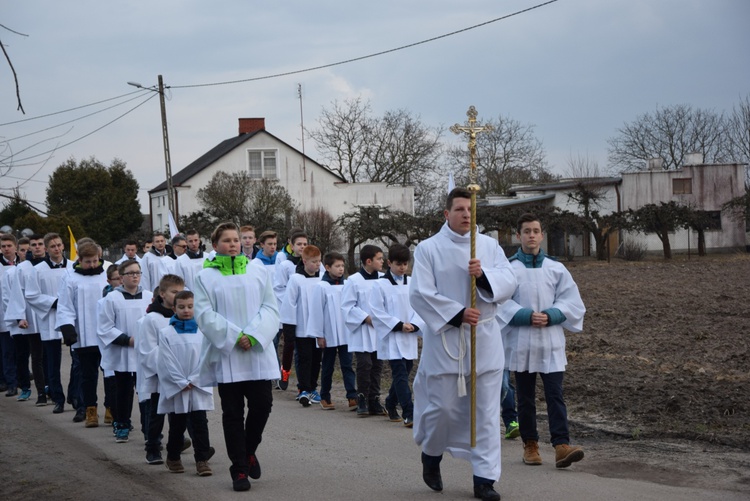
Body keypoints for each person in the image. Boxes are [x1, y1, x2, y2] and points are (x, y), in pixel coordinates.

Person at [409, 187, 517, 501]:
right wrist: (456, 313)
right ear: (446, 214)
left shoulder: (489, 245)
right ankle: (431, 453)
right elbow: (419, 293)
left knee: (484, 412)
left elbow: (508, 280)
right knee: (441, 408)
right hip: (447, 340)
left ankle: (484, 479)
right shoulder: (429, 249)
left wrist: (483, 277)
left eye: (470, 210)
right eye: (459, 209)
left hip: (484, 338)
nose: (466, 215)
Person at [194, 222, 279, 492]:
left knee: (262, 405)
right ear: (216, 244)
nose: (233, 244)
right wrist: (233, 336)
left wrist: (253, 335)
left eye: (235, 240)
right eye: (227, 240)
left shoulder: (257, 270)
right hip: (227, 353)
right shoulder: (205, 276)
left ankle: (249, 450)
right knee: (232, 413)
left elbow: (270, 307)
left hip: (257, 351)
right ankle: (239, 469)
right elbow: (204, 314)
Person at [499, 213, 586, 469]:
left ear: (542, 234)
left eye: (536, 230)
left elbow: (571, 301)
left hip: (550, 343)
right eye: (527, 231)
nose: (532, 235)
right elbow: (500, 302)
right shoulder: (510, 269)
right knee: (525, 397)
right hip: (522, 342)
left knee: (555, 395)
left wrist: (551, 315)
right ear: (518, 236)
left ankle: (561, 446)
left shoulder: (556, 268)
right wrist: (524, 315)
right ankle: (530, 445)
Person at [157, 290, 214, 476]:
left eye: (190, 306)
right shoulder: (166, 333)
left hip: (197, 384)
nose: (187, 310)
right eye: (181, 307)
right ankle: (173, 457)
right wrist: (181, 381)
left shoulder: (203, 331)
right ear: (174, 308)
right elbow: (166, 360)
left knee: (200, 424)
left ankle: (202, 460)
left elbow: (206, 356)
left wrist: (196, 379)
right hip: (178, 386)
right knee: (177, 424)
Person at [98, 259, 152, 443]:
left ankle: (149, 429)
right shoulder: (112, 298)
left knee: (146, 392)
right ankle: (122, 424)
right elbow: (105, 327)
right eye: (131, 273)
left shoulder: (148, 296)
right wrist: (127, 340)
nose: (135, 276)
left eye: (138, 272)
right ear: (121, 277)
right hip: (122, 352)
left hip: (143, 354)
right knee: (123, 391)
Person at [55, 241, 109, 428]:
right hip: (85, 333)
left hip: (107, 333)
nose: (93, 265)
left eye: (95, 261)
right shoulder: (70, 276)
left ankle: (111, 407)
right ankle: (90, 410)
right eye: (88, 262)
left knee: (110, 373)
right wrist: (68, 328)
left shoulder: (108, 271)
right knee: (88, 375)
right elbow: (65, 304)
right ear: (80, 260)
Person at [370, 243, 424, 428]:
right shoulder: (380, 285)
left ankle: (391, 402)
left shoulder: (412, 283)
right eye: (398, 263)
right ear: (389, 263)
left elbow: (420, 306)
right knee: (400, 373)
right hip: (392, 336)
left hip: (409, 335)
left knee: (406, 371)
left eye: (405, 264)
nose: (402, 267)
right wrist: (399, 325)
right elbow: (377, 311)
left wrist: (415, 324)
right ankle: (410, 413)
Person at [136, 274, 186, 465]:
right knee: (156, 415)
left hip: (180, 375)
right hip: (160, 376)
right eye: (174, 292)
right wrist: (169, 367)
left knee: (179, 415)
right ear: (163, 294)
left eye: (181, 291)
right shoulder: (151, 319)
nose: (178, 295)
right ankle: (153, 448)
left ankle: (176, 447)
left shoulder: (183, 317)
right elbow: (148, 350)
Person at [24, 232, 73, 414]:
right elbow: (31, 295)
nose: (57, 249)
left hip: (70, 319)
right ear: (46, 249)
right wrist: (55, 302)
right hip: (50, 318)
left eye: (59, 245)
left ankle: (75, 395)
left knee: (77, 362)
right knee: (52, 362)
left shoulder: (73, 267)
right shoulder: (38, 270)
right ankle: (57, 397)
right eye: (53, 246)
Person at [308, 252, 357, 411]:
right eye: (337, 266)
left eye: (342, 266)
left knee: (347, 365)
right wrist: (319, 335)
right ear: (327, 267)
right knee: (328, 366)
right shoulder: (321, 287)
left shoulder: (347, 285)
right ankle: (325, 396)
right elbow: (316, 312)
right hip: (328, 334)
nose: (341, 269)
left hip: (345, 333)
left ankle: (352, 396)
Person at [341, 244, 386, 417]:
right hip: (362, 330)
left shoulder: (383, 279)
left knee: (377, 365)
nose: (382, 261)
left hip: (379, 330)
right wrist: (366, 318)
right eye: (379, 258)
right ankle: (362, 398)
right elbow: (347, 306)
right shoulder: (353, 280)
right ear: (369, 261)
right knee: (364, 364)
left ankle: (374, 399)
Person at [4, 234, 47, 404]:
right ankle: (28, 387)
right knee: (25, 355)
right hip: (27, 318)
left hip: (44, 316)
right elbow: (13, 295)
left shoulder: (47, 267)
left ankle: (46, 388)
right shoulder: (19, 270)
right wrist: (19, 316)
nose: (36, 247)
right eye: (32, 245)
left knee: (43, 357)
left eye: (40, 244)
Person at [280, 244, 322, 407]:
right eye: (314, 262)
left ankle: (313, 387)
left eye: (319, 261)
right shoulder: (296, 279)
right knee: (304, 358)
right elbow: (289, 304)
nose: (317, 265)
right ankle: (303, 388)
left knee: (316, 359)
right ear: (304, 261)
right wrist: (289, 328)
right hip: (302, 328)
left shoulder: (321, 279)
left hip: (318, 328)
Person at [273, 230, 308, 391]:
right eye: (299, 244)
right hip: (290, 310)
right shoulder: (286, 265)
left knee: (304, 347)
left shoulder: (314, 263)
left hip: (307, 311)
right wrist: (291, 298)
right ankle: (285, 371)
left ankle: (305, 382)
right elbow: (279, 287)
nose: (302, 247)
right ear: (291, 246)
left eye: (305, 244)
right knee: (289, 344)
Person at [252, 230, 281, 388]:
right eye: (269, 244)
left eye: (275, 244)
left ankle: (278, 373)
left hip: (281, 306)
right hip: (266, 307)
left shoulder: (280, 261)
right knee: (271, 341)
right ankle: (271, 373)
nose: (273, 247)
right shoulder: (256, 264)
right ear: (261, 244)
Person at [0, 234, 19, 397]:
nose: (6, 249)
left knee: (20, 351)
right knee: (6, 351)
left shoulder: (23, 266)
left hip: (21, 316)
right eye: (3, 246)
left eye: (9, 246)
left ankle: (20, 379)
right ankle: (10, 382)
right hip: (3, 315)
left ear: (15, 247)